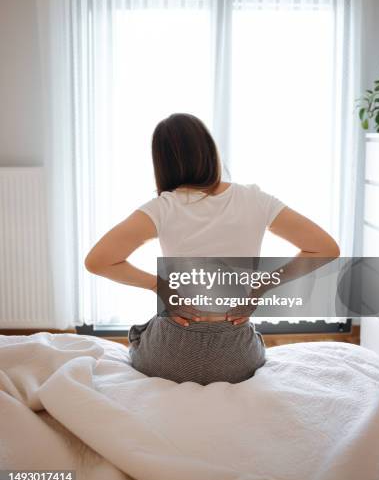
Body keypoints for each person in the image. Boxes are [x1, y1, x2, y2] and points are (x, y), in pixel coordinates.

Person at [84, 113, 340, 384]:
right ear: (209, 151)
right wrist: (262, 286)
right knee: (255, 341)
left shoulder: (163, 207)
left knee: (139, 334)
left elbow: (97, 261)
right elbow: (325, 248)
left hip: (168, 354)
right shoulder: (255, 199)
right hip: (236, 358)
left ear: (162, 162)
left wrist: (159, 286)